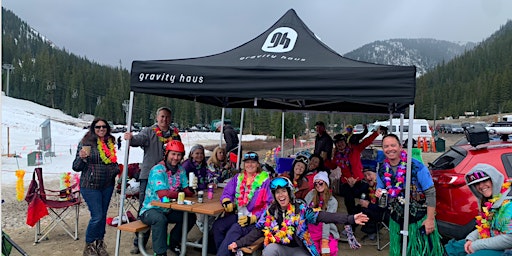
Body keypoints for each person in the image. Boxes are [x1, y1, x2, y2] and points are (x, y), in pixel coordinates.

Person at [227, 176, 369, 256]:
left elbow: (323, 216)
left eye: (284, 191)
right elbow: (258, 230)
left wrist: (350, 218)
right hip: (280, 248)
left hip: (300, 250)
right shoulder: (271, 211)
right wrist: (238, 243)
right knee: (269, 250)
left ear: (289, 193)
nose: (281, 195)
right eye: (277, 193)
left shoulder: (300, 208)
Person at [123, 107, 181, 254]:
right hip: (148, 176)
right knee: (147, 208)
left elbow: (178, 151)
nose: (164, 119)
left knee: (168, 207)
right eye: (162, 116)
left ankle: (166, 239)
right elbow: (138, 140)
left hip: (169, 176)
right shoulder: (149, 131)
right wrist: (131, 138)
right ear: (157, 118)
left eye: (167, 117)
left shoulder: (175, 134)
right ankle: (139, 242)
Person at [375, 134, 444, 256]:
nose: (390, 149)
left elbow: (430, 192)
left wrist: (430, 220)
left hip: (418, 219)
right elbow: (380, 188)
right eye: (386, 146)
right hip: (396, 219)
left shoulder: (416, 166)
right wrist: (379, 192)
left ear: (400, 147)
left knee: (422, 251)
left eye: (393, 145)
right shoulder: (381, 169)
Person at [138, 140, 197, 256]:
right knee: (160, 219)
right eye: (173, 154)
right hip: (150, 209)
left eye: (179, 154)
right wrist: (181, 193)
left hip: (168, 209)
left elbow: (187, 191)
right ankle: (160, 253)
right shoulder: (157, 170)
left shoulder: (181, 170)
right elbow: (163, 194)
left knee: (189, 216)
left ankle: (174, 241)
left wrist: (192, 187)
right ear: (167, 154)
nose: (176, 158)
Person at [72, 118, 120, 256]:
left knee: (103, 216)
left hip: (107, 185)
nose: (101, 129)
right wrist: (82, 158)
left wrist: (115, 169)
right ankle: (89, 245)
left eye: (104, 126)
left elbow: (112, 162)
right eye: (98, 127)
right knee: (97, 216)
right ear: (93, 128)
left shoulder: (110, 142)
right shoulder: (86, 143)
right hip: (90, 185)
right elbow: (76, 167)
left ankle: (99, 243)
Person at [212, 152, 273, 256]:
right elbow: (227, 192)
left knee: (234, 230)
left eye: (253, 162)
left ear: (258, 164)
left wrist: (254, 218)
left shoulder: (265, 181)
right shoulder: (238, 178)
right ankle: (225, 253)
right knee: (218, 226)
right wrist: (226, 200)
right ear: (244, 165)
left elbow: (270, 205)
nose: (250, 165)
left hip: (256, 221)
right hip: (239, 215)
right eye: (247, 162)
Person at [444, 164, 512, 256]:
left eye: (485, 180)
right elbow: (486, 226)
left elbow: (509, 239)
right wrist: (471, 239)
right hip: (493, 239)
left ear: (494, 179)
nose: (481, 186)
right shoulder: (491, 200)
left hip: (508, 249)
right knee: (453, 248)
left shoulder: (509, 203)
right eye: (476, 183)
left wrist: (476, 245)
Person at [329, 126, 380, 217]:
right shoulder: (336, 156)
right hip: (347, 182)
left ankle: (369, 218)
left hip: (359, 180)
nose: (340, 144)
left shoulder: (354, 149)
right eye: (338, 143)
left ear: (345, 142)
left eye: (341, 142)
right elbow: (332, 166)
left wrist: (376, 133)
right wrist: (325, 158)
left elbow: (366, 142)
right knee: (349, 201)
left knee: (369, 197)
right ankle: (351, 221)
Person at [304, 171, 341, 256]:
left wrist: (325, 240)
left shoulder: (332, 201)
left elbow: (327, 221)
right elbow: (303, 209)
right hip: (311, 231)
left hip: (326, 231)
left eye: (320, 183)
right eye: (316, 183)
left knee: (329, 251)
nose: (318, 185)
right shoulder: (311, 194)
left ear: (326, 184)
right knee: (312, 252)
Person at [355, 167, 387, 242]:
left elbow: (383, 208)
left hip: (383, 214)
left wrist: (368, 205)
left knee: (364, 210)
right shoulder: (367, 186)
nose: (367, 178)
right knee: (358, 208)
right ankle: (350, 227)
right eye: (365, 176)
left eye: (369, 174)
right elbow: (356, 193)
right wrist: (353, 185)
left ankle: (371, 232)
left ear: (376, 175)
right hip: (373, 211)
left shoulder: (382, 187)